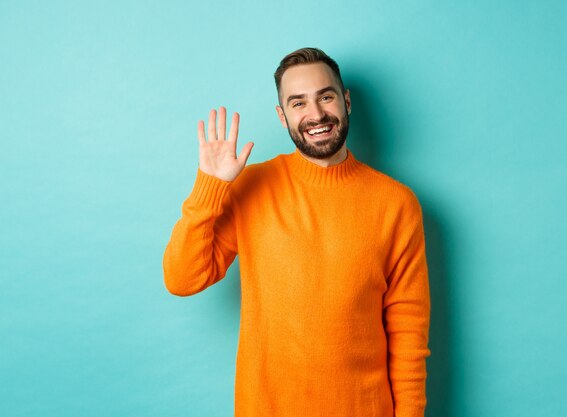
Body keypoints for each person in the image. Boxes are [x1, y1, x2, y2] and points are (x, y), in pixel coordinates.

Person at [162, 47, 431, 417]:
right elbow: (181, 279)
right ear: (282, 115)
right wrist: (210, 187)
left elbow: (408, 333)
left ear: (346, 101)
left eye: (325, 96)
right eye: (298, 103)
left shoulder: (396, 204)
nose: (316, 114)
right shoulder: (250, 188)